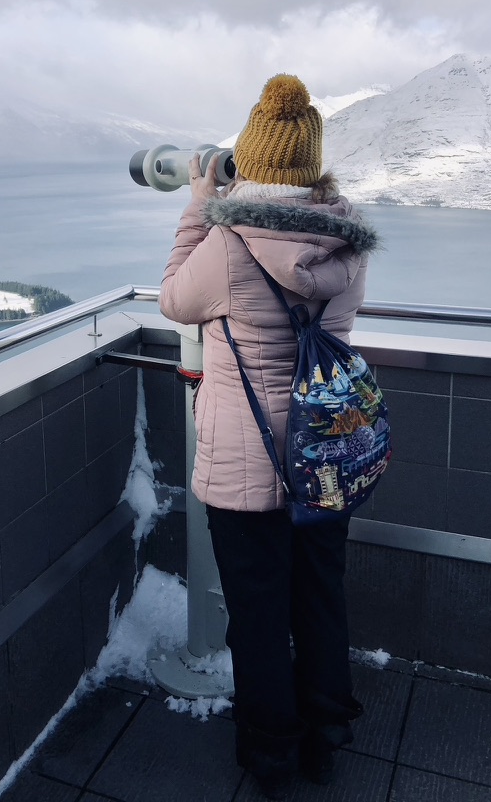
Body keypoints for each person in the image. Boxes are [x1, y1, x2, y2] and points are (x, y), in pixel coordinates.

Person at [158, 74, 378, 799]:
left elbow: (173, 302)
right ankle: (326, 733)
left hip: (245, 466)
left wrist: (201, 205)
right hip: (324, 460)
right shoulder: (345, 244)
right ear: (312, 168)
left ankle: (272, 753)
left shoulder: (227, 247)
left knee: (255, 615)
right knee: (319, 594)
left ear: (251, 161)